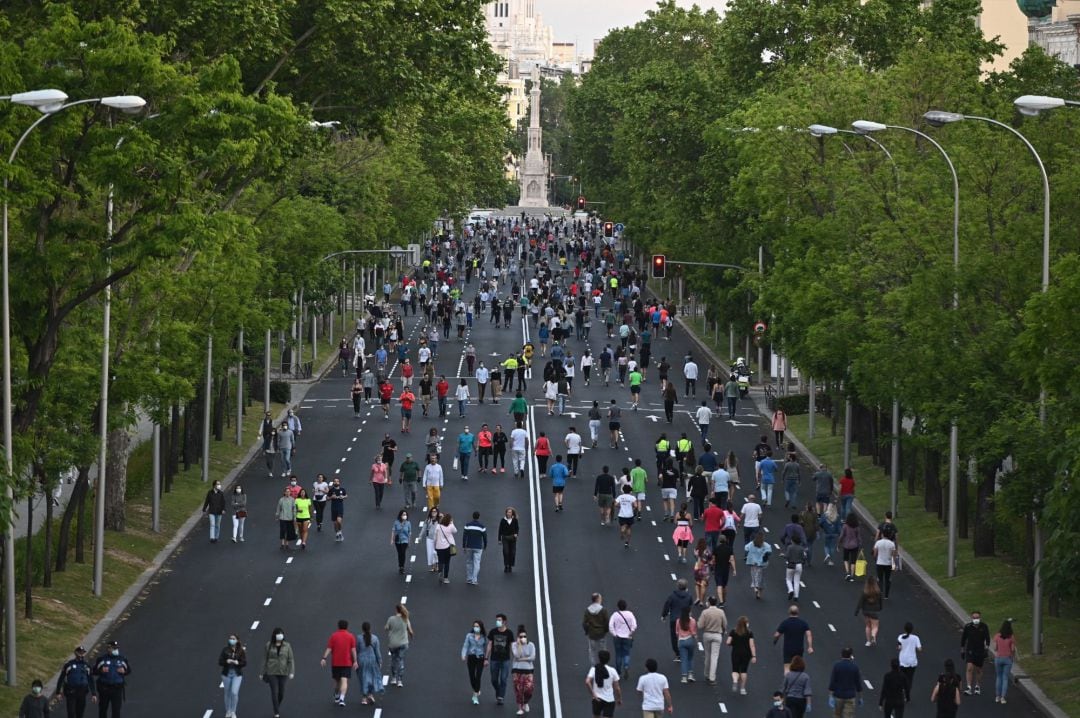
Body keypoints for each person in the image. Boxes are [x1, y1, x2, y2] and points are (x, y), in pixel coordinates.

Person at [321, 619, 358, 707]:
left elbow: (329, 648)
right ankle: (342, 698)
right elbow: (353, 650)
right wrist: (355, 661)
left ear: (338, 626)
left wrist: (324, 658)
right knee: (344, 680)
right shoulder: (350, 636)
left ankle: (337, 695)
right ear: (347, 627)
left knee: (338, 682)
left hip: (336, 663)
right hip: (346, 662)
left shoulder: (334, 636)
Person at [260, 627, 294, 718]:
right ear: (274, 635)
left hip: (283, 672)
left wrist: (291, 671)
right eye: (278, 634)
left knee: (281, 693)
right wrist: (262, 672)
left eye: (281, 634)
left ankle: (276, 705)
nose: (280, 635)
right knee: (274, 692)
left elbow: (291, 659)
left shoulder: (287, 646)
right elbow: (265, 659)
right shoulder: (269, 645)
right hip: (272, 671)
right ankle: (276, 712)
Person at [55, 646, 95, 718]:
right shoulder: (69, 665)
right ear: (75, 653)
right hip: (71, 692)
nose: (81, 654)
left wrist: (94, 694)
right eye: (80, 653)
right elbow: (61, 678)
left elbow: (90, 680)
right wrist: (58, 692)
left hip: (82, 692)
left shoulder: (87, 666)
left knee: (80, 714)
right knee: (71, 713)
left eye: (83, 653)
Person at [93, 641, 130, 718]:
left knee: (116, 711)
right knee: (103, 710)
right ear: (108, 649)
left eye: (116, 648)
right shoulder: (102, 659)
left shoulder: (122, 659)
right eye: (113, 648)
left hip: (117, 689)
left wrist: (124, 671)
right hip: (104, 689)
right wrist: (101, 671)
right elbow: (94, 671)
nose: (115, 650)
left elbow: (128, 670)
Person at [773, 605, 814, 674]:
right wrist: (810, 647)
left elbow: (777, 634)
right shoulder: (803, 623)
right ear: (798, 612)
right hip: (799, 648)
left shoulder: (785, 623)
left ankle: (788, 682)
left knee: (787, 667)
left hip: (788, 648)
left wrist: (775, 640)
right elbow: (809, 635)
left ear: (789, 612)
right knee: (798, 666)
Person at [660, 579, 693, 663]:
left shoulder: (672, 596)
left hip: (674, 619)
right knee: (684, 636)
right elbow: (690, 605)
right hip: (684, 619)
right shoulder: (689, 596)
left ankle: (678, 654)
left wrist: (664, 615)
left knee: (674, 637)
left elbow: (667, 606)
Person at [698, 596, 727, 686]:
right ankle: (712, 677)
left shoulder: (705, 612)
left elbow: (700, 625)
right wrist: (724, 630)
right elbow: (725, 624)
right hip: (717, 635)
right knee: (714, 656)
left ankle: (706, 674)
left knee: (707, 655)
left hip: (707, 634)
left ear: (709, 602)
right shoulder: (721, 612)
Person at [960, 610, 990, 696]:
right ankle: (969, 687)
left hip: (980, 651)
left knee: (979, 669)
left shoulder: (984, 627)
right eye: (974, 618)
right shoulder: (968, 627)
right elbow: (963, 638)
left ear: (980, 618)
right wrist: (962, 649)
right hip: (970, 650)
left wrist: (986, 648)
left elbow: (987, 638)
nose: (976, 619)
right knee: (969, 668)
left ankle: (977, 686)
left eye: (977, 617)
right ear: (971, 618)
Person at [827, 647, 863, 717]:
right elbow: (858, 684)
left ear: (841, 655)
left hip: (838, 695)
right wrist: (860, 697)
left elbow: (833, 682)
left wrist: (830, 696)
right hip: (850, 696)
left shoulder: (837, 666)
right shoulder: (854, 667)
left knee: (837, 715)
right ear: (851, 655)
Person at [487, 614, 514, 706]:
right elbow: (489, 644)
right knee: (494, 680)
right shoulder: (493, 632)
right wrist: (486, 658)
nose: (497, 621)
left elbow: (512, 646)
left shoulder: (509, 633)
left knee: (503, 679)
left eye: (499, 620)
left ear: (504, 621)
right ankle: (498, 691)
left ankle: (501, 697)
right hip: (494, 659)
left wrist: (515, 658)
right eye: (497, 620)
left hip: (505, 660)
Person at [586, 649, 622, 718]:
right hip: (609, 699)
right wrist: (619, 698)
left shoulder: (594, 669)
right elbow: (617, 688)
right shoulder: (612, 671)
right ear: (608, 659)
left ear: (599, 658)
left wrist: (593, 694)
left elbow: (587, 681)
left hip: (597, 698)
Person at [354, 621, 383, 705]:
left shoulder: (358, 638)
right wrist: (379, 661)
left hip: (361, 660)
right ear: (370, 628)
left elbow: (356, 650)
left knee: (362, 678)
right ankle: (370, 694)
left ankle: (364, 698)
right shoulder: (375, 638)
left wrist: (354, 661)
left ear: (362, 629)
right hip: (372, 659)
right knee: (371, 677)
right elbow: (377, 651)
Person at [218, 634, 246, 718]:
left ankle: (233, 711)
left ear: (237, 640)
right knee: (227, 692)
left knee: (234, 692)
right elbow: (220, 661)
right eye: (230, 638)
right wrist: (227, 661)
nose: (231, 640)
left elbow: (244, 662)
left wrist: (238, 663)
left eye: (233, 638)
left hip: (237, 674)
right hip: (226, 674)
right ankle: (228, 711)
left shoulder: (241, 651)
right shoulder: (225, 650)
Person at [608, 600, 637, 681]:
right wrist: (630, 633)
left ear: (618, 606)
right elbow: (634, 625)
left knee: (618, 654)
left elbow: (610, 625)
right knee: (626, 653)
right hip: (627, 637)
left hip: (617, 637)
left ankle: (618, 672)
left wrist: (614, 634)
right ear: (626, 606)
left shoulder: (615, 615)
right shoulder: (630, 614)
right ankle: (626, 665)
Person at [726, 615, 756, 695]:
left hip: (736, 652)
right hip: (746, 653)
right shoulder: (749, 633)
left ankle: (735, 680)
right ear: (746, 624)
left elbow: (728, 642)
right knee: (744, 671)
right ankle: (742, 688)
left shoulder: (733, 631)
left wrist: (732, 644)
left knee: (735, 669)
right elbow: (751, 645)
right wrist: (754, 656)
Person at [385, 604, 413, 688]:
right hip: (403, 643)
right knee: (400, 660)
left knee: (393, 659)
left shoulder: (391, 619)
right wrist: (412, 636)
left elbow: (386, 628)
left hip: (393, 644)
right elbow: (410, 631)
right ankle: (400, 680)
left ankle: (393, 678)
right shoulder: (405, 619)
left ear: (396, 610)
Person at [511, 626, 536, 716]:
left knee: (529, 689)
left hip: (528, 670)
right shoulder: (514, 645)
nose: (523, 638)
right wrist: (519, 645)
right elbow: (517, 655)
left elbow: (532, 657)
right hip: (517, 669)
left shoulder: (531, 645)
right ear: (518, 637)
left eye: (524, 636)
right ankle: (520, 708)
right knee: (518, 689)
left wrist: (522, 659)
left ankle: (525, 702)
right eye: (521, 637)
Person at [462, 619, 489, 705]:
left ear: (481, 627)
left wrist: (486, 659)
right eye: (474, 626)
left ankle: (475, 695)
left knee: (478, 676)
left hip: (480, 658)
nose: (475, 628)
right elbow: (465, 646)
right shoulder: (469, 636)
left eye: (477, 626)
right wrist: (463, 654)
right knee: (472, 676)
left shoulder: (484, 637)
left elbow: (485, 649)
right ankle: (476, 689)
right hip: (471, 657)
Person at [991, 619, 1016, 704]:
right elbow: (1012, 649)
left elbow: (994, 648)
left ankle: (997, 697)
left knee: (999, 677)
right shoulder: (1011, 636)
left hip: (998, 658)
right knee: (1005, 678)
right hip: (1008, 659)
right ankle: (1003, 698)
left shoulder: (997, 636)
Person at [854, 576, 884, 647]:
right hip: (874, 611)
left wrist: (857, 611)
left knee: (868, 626)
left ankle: (868, 641)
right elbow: (880, 601)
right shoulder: (878, 591)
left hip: (866, 611)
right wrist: (880, 608)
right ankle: (873, 635)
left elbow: (860, 602)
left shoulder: (865, 592)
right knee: (875, 626)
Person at [896, 622, 922, 703]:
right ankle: (907, 696)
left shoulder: (900, 637)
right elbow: (919, 649)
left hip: (903, 660)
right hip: (912, 661)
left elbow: (899, 647)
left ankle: (900, 692)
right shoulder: (916, 638)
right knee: (909, 679)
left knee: (901, 677)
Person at [583, 593, 610, 666]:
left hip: (592, 634)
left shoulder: (588, 610)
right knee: (603, 650)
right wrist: (606, 630)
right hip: (601, 633)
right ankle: (604, 664)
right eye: (600, 598)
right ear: (598, 599)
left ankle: (593, 666)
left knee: (592, 651)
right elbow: (607, 621)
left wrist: (587, 631)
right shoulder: (603, 610)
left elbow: (584, 623)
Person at [745, 530, 772, 600]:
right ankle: (759, 593)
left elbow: (746, 548)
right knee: (761, 578)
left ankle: (755, 587)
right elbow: (769, 551)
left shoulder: (752, 543)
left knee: (754, 576)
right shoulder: (765, 545)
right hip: (761, 563)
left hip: (753, 562)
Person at [463, 511, 488, 585]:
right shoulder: (482, 526)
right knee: (476, 563)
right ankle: (474, 580)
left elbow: (464, 536)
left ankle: (469, 579)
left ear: (472, 516)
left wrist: (464, 546)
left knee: (469, 562)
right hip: (478, 547)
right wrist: (485, 545)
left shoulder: (467, 525)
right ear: (478, 517)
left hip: (469, 546)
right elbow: (485, 537)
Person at [873, 526, 898, 598]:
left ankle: (880, 592)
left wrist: (876, 559)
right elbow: (893, 556)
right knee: (888, 580)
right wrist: (894, 565)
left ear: (882, 534)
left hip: (879, 563)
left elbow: (875, 554)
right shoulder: (891, 544)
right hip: (888, 564)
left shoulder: (878, 543)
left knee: (879, 579)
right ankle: (886, 595)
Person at [435, 513, 457, 584]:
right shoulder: (450, 526)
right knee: (447, 562)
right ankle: (446, 578)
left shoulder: (438, 526)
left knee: (440, 561)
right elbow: (455, 531)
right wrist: (452, 523)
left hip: (439, 546)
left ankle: (440, 571)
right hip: (448, 547)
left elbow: (435, 537)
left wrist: (434, 545)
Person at [783, 533, 806, 602]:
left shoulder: (790, 547)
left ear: (792, 540)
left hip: (791, 565)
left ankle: (790, 590)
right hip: (799, 565)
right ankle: (796, 596)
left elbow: (787, 556)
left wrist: (782, 555)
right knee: (797, 581)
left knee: (788, 579)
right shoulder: (802, 548)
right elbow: (804, 557)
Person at [840, 512, 862, 582]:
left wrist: (839, 543)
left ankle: (847, 573)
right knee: (853, 561)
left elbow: (842, 536)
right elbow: (858, 537)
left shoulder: (845, 526)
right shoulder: (857, 527)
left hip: (846, 545)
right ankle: (852, 576)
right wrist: (860, 543)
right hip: (855, 545)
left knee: (846, 559)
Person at [420, 507, 442, 573]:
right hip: (429, 538)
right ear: (430, 512)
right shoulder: (428, 520)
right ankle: (432, 567)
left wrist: (442, 516)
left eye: (435, 511)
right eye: (432, 511)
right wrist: (420, 536)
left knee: (436, 553)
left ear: (437, 512)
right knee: (430, 553)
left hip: (438, 539)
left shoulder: (440, 520)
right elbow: (424, 528)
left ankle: (437, 566)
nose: (434, 512)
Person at [499, 507, 519, 573]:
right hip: (505, 538)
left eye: (510, 512)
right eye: (508, 512)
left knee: (512, 553)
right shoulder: (503, 520)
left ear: (512, 513)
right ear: (506, 513)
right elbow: (500, 530)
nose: (509, 513)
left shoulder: (515, 520)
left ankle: (510, 566)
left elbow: (517, 528)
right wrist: (499, 539)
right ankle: (506, 566)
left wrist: (516, 534)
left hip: (513, 538)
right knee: (506, 552)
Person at [328, 476, 348, 542]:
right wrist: (331, 497)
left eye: (337, 481)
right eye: (335, 481)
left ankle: (340, 532)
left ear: (339, 482)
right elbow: (327, 498)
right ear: (333, 482)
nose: (336, 482)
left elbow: (346, 496)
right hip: (333, 508)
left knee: (339, 521)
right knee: (335, 523)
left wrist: (343, 496)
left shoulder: (342, 489)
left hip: (340, 507)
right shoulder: (331, 490)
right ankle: (337, 534)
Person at [392, 509, 411, 574]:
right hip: (398, 541)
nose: (404, 516)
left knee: (403, 552)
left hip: (405, 540)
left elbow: (409, 532)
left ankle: (402, 566)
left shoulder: (408, 523)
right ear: (400, 515)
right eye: (403, 515)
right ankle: (400, 566)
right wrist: (392, 539)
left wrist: (409, 541)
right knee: (399, 553)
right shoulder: (396, 522)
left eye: (405, 515)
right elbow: (394, 531)